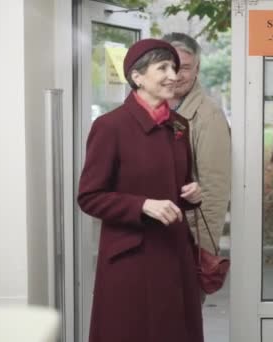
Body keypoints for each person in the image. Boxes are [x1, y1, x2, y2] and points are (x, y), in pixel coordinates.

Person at [77, 39, 204, 342]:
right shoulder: (110, 127)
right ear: (137, 77)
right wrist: (142, 205)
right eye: (163, 68)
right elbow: (89, 196)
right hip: (131, 262)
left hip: (174, 255)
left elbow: (178, 188)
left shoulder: (179, 126)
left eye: (175, 68)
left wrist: (192, 196)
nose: (173, 75)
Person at [162, 32, 231, 257]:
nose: (177, 75)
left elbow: (214, 190)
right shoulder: (149, 107)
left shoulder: (209, 116)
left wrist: (204, 250)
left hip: (188, 239)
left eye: (186, 68)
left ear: (197, 69)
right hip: (152, 235)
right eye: (171, 65)